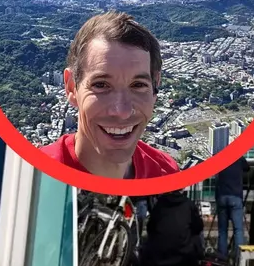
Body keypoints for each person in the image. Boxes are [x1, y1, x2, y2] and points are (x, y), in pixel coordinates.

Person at [40, 11, 179, 179]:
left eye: (138, 85)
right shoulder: (34, 178)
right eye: (101, 85)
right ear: (71, 88)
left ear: (155, 88)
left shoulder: (167, 174)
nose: (122, 111)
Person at [140, 189, 205, 266]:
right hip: (182, 255)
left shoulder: (159, 204)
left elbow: (150, 228)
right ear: (182, 189)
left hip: (158, 256)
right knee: (196, 240)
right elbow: (198, 227)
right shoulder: (189, 204)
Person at [214, 154, 250, 258]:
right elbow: (247, 168)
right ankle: (239, 259)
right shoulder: (239, 158)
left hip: (222, 197)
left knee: (222, 230)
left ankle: (222, 258)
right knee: (238, 229)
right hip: (235, 196)